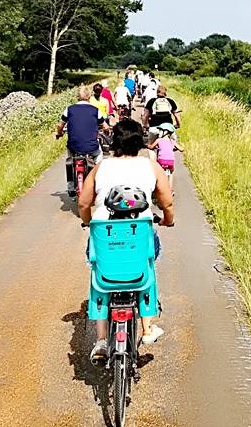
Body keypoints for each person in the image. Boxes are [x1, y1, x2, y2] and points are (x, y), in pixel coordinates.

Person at [79, 119, 175, 363]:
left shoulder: (101, 166)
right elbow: (167, 201)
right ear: (139, 141)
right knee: (147, 267)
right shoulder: (150, 166)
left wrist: (88, 221)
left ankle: (101, 340)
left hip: (105, 235)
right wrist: (167, 220)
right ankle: (147, 328)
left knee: (98, 277)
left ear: (115, 142)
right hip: (138, 233)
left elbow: (83, 203)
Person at [56, 86, 104, 196]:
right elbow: (104, 125)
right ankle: (97, 181)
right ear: (89, 97)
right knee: (99, 155)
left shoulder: (69, 109)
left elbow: (60, 125)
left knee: (70, 158)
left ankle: (71, 186)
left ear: (77, 97)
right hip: (92, 147)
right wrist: (105, 129)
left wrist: (59, 133)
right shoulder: (95, 110)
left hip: (74, 146)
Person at [148, 123, 184, 188]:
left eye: (161, 130)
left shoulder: (159, 140)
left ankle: (158, 187)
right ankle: (170, 189)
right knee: (171, 173)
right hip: (170, 161)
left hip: (161, 161)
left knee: (159, 173)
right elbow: (181, 149)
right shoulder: (172, 141)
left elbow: (151, 147)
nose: (159, 132)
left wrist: (147, 146)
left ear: (166, 132)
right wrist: (173, 149)